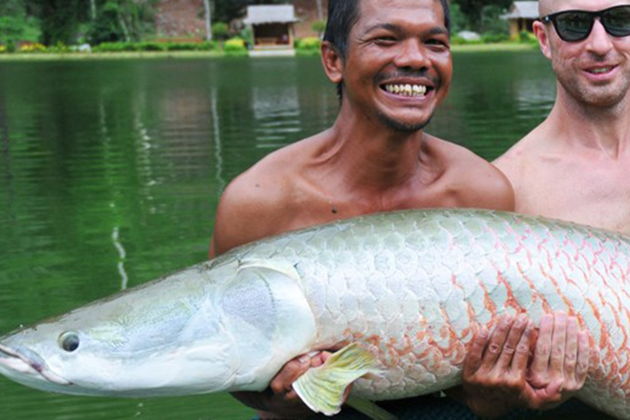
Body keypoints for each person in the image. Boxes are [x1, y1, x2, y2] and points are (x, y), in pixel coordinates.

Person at [210, 0, 589, 418]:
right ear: (333, 60)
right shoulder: (259, 201)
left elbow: (475, 371)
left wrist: (495, 396)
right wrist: (273, 399)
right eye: (385, 40)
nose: (415, 59)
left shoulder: (478, 192)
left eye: (434, 43)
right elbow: (226, 358)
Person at [495, 0, 630, 236]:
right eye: (574, 24)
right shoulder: (508, 190)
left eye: (620, 19)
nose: (600, 45)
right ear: (544, 39)